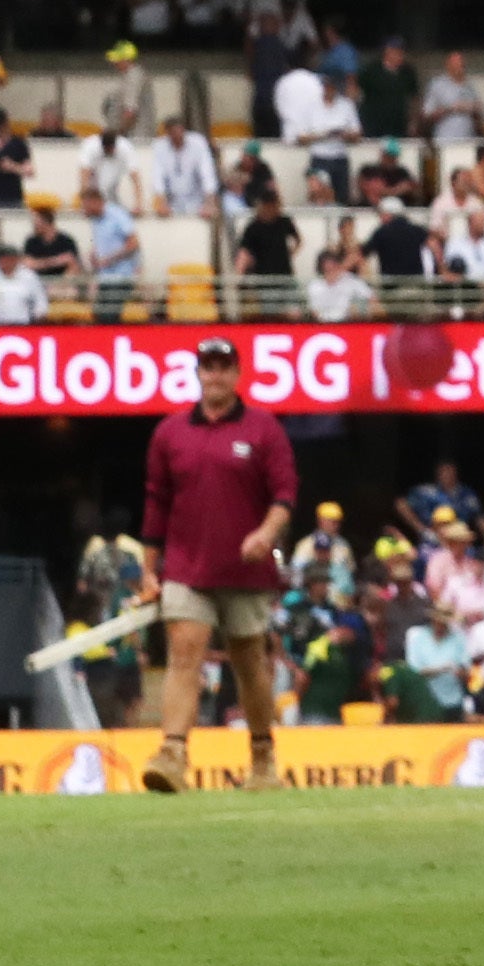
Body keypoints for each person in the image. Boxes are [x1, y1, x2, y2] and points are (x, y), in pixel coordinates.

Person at [138, 336, 299, 793]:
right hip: (187, 566)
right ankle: (172, 755)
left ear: (238, 373)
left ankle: (263, 761)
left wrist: (266, 534)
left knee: (250, 663)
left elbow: (285, 495)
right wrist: (150, 568)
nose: (216, 375)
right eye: (208, 366)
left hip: (246, 571)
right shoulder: (171, 433)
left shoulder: (264, 429)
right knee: (185, 654)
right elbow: (156, 504)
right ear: (197, 372)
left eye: (224, 366)